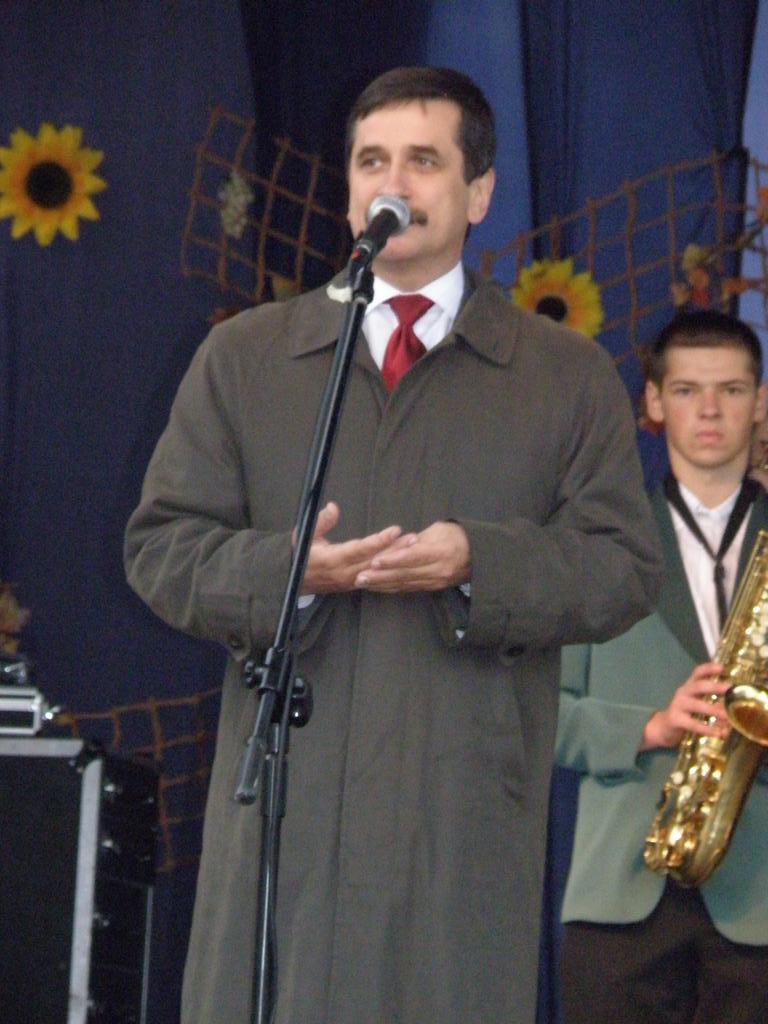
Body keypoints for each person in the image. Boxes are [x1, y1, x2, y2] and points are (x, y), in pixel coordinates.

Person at [124, 66, 662, 1024]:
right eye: (372, 161)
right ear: (348, 192)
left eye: (424, 161)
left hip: (457, 833)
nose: (394, 184)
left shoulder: (562, 375)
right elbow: (163, 549)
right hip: (284, 827)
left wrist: (478, 564)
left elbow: (623, 565)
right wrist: (290, 573)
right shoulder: (249, 356)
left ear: (479, 193)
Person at [556, 308, 768, 1024]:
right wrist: (649, 727)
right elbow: (537, 714)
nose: (709, 410)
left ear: (760, 402)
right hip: (620, 897)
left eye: (731, 390)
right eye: (686, 390)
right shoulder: (596, 549)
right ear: (652, 402)